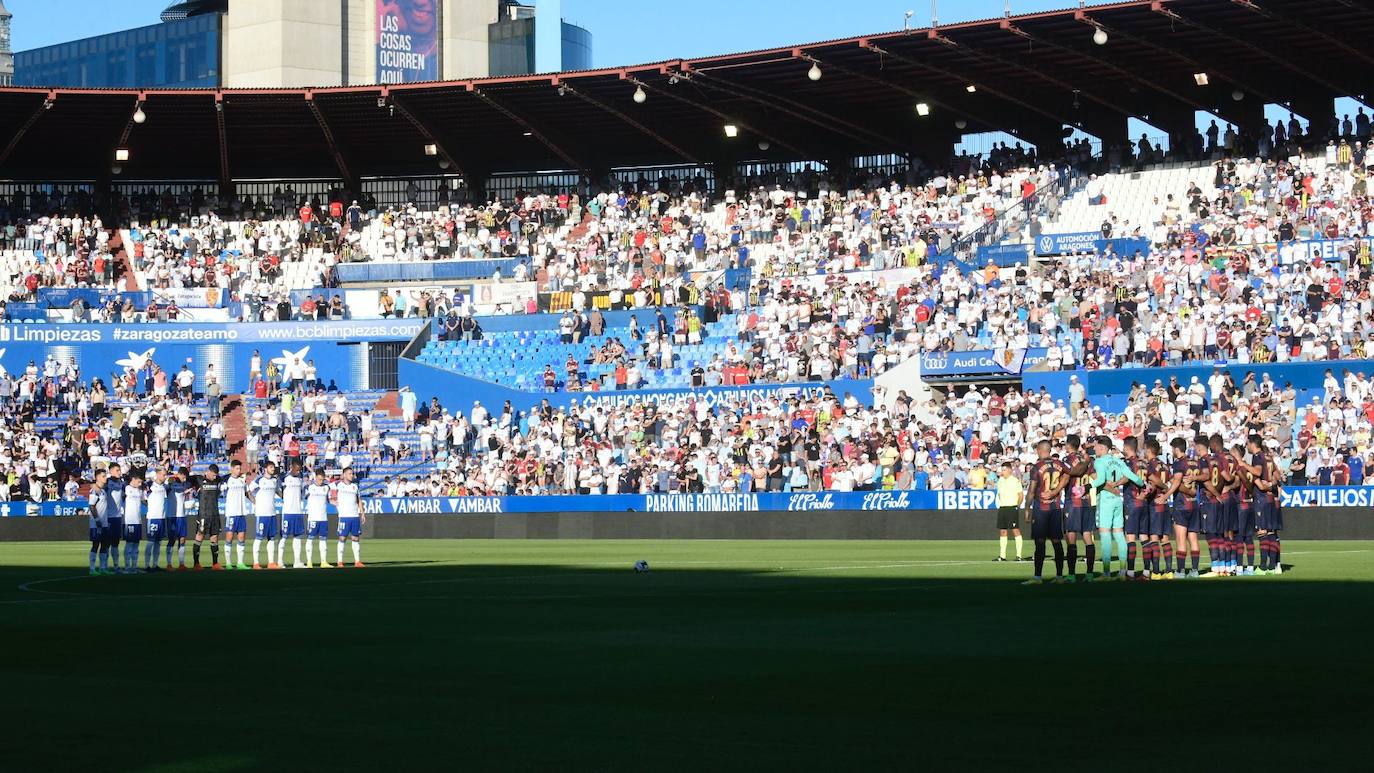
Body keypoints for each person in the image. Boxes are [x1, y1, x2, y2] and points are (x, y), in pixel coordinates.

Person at [1088, 436, 1144, 581]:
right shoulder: (1119, 461)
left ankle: (1106, 573)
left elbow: (1100, 480)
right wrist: (1143, 485)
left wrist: (1086, 487)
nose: (1094, 449)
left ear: (1102, 447)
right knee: (1119, 534)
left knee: (1105, 534)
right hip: (1117, 500)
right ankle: (1122, 571)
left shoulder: (1099, 461)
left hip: (1105, 499)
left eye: (1095, 446)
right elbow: (1132, 476)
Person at [1022, 440, 1069, 585]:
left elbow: (1031, 490)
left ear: (1040, 450)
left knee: (1040, 542)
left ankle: (1037, 577)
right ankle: (1060, 576)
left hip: (1041, 509)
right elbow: (1068, 475)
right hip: (1055, 508)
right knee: (1056, 542)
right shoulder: (1059, 464)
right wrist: (1056, 491)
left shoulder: (1037, 467)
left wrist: (1027, 508)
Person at [1165, 437, 1202, 578]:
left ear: (1176, 449)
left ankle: (1180, 571)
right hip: (1194, 503)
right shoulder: (1195, 462)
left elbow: (1177, 483)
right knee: (1193, 538)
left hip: (1182, 503)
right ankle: (1195, 570)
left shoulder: (1179, 463)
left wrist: (1166, 495)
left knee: (1180, 539)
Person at [1062, 435, 1097, 581]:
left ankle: (1071, 574)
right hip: (1086, 502)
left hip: (1073, 502)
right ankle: (1089, 574)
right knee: (1088, 537)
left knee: (1071, 538)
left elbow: (1069, 475)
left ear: (1068, 445)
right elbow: (1096, 477)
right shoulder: (1087, 461)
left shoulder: (1068, 460)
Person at [1143, 439, 1175, 579]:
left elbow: (1154, 482)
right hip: (1165, 503)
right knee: (1165, 538)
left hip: (1155, 503)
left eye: (1145, 450)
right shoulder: (1165, 466)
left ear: (1149, 451)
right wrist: (1167, 491)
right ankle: (1169, 571)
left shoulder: (1150, 465)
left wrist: (1161, 487)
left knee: (1154, 538)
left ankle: (1155, 572)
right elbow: (1173, 482)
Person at [191, 464, 224, 571]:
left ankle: (215, 564)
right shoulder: (198, 479)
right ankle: (196, 564)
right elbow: (185, 477)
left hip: (215, 514)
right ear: (208, 472)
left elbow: (227, 477)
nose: (215, 477)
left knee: (214, 538)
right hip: (203, 515)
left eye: (216, 475)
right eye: (213, 475)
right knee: (199, 536)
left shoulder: (217, 480)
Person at [333, 467, 365, 568]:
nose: (352, 475)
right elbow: (328, 492)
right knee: (342, 538)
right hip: (344, 516)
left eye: (352, 473)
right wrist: (332, 501)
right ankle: (340, 562)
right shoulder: (338, 485)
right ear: (345, 475)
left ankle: (357, 561)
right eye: (350, 473)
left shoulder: (355, 487)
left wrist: (362, 513)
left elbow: (358, 500)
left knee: (355, 538)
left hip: (355, 516)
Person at [251, 461, 281, 570]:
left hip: (272, 513)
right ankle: (256, 563)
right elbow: (249, 490)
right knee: (259, 538)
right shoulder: (259, 480)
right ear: (265, 469)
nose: (273, 469)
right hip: (262, 514)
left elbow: (278, 491)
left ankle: (271, 562)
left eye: (273, 467)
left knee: (272, 538)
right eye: (271, 467)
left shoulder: (274, 481)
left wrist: (284, 497)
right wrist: (254, 501)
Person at [279, 461, 308, 569]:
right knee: (284, 537)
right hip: (287, 512)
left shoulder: (300, 478)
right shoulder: (284, 477)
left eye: (299, 469)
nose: (298, 471)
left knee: (298, 537)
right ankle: (280, 562)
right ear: (291, 467)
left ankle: (297, 562)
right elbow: (278, 488)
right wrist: (283, 497)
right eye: (296, 468)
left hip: (298, 512)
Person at [222, 460, 251, 570]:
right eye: (237, 468)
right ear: (232, 469)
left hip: (241, 513)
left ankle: (240, 563)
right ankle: (228, 563)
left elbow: (248, 494)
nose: (239, 471)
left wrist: (255, 502)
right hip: (231, 513)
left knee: (242, 537)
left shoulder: (242, 481)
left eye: (240, 468)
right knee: (229, 537)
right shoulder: (227, 480)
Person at [994, 462, 1025, 562]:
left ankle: (1019, 555)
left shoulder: (1015, 481)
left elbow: (1020, 495)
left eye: (1004, 470)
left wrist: (1017, 506)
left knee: (1015, 530)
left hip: (1012, 507)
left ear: (1009, 470)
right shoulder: (1000, 481)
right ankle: (1002, 556)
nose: (1002, 472)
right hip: (1002, 507)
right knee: (1002, 531)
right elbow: (999, 494)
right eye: (1001, 470)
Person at [88, 469, 113, 576]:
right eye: (103, 476)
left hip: (105, 523)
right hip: (96, 524)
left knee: (105, 545)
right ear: (97, 477)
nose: (105, 478)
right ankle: (92, 569)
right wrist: (97, 520)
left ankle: (103, 568)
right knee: (95, 545)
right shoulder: (95, 491)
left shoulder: (102, 491)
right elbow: (91, 506)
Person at [165, 466, 190, 571]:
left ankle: (181, 564)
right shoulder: (170, 483)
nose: (184, 478)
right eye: (183, 476)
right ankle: (169, 564)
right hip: (172, 516)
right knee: (172, 540)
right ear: (180, 474)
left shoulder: (185, 485)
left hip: (182, 516)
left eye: (185, 477)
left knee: (182, 539)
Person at [306, 469, 332, 568]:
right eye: (319, 479)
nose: (320, 481)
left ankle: (324, 562)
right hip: (313, 518)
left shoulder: (326, 488)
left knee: (323, 540)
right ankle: (309, 562)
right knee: (310, 539)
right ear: (316, 477)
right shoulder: (310, 487)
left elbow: (328, 500)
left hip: (323, 518)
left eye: (322, 480)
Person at [122, 471, 145, 575]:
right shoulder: (126, 488)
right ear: (133, 479)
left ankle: (134, 568)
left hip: (138, 521)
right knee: (129, 544)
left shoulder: (139, 491)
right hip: (129, 521)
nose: (140, 484)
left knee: (136, 545)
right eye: (139, 482)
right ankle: (127, 568)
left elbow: (144, 501)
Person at [144, 467, 167, 571]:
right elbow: (143, 498)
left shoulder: (164, 487)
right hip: (153, 518)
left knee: (158, 542)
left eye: (165, 474)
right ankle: (147, 565)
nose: (165, 476)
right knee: (150, 542)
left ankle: (155, 564)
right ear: (157, 474)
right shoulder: (150, 485)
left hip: (161, 518)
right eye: (163, 474)